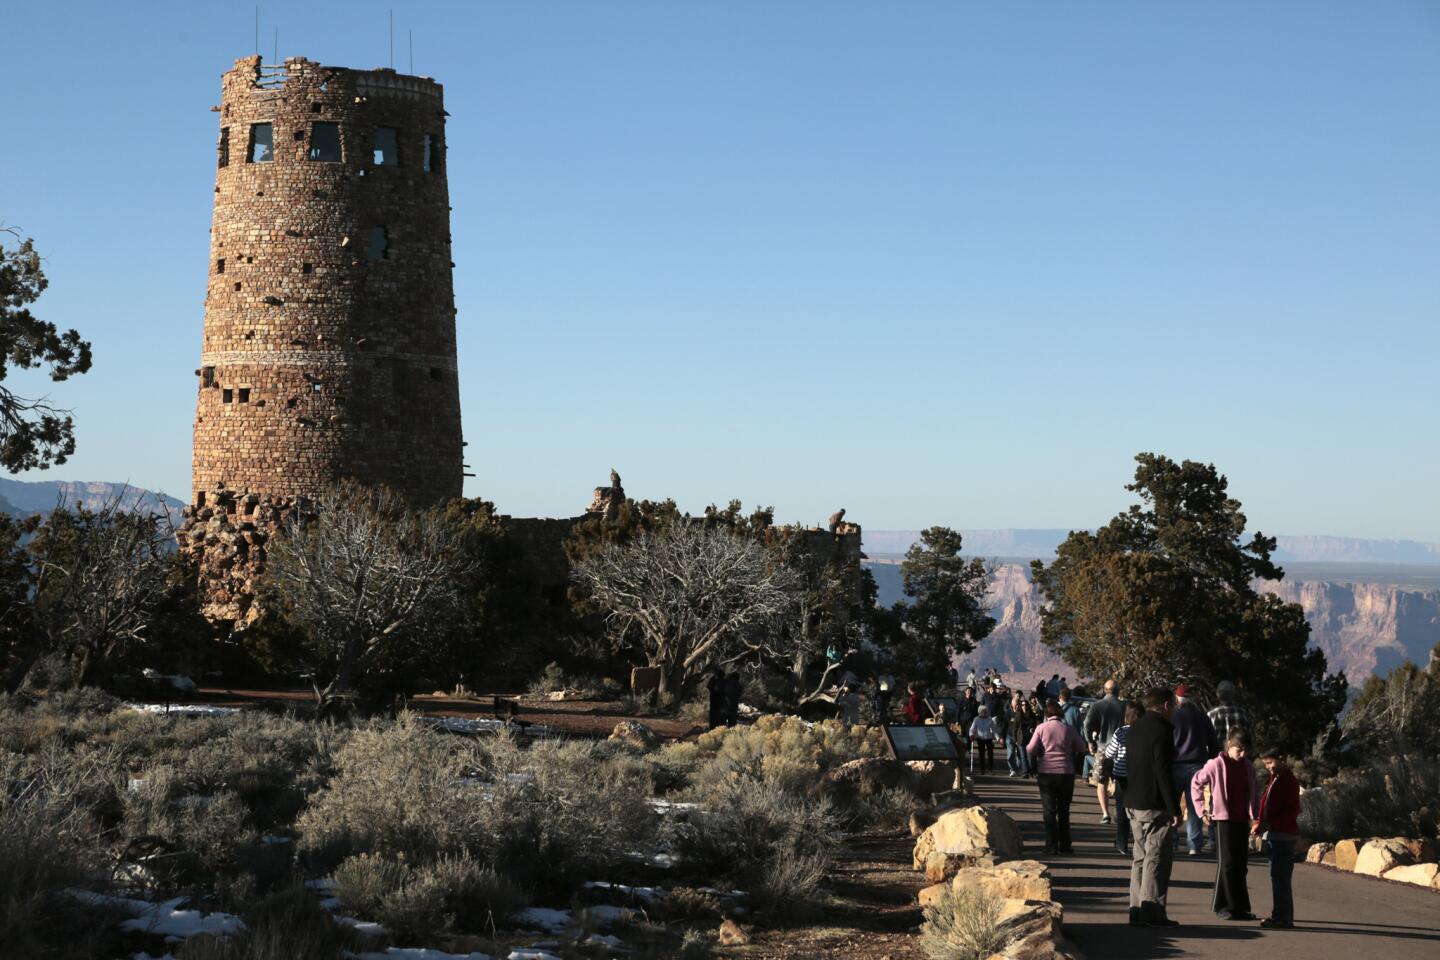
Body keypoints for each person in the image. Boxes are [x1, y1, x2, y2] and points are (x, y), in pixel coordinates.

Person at [1125, 687, 1181, 928]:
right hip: (1154, 804)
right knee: (1156, 858)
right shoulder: (1162, 732)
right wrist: (1174, 807)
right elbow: (1163, 771)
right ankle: (1152, 912)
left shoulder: (1135, 727)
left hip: (1133, 801)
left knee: (1140, 857)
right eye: (1174, 706)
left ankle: (1137, 909)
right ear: (1166, 705)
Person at [1192, 730, 1258, 921]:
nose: (1243, 754)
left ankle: (1240, 907)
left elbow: (1254, 792)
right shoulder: (1215, 765)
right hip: (1222, 819)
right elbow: (1196, 783)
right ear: (1229, 744)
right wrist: (1201, 810)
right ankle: (1224, 906)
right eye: (1239, 749)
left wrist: (1255, 817)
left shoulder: (1248, 767)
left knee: (1241, 865)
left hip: (1242, 819)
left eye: (1246, 750)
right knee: (1227, 863)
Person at [1026, 700, 1087, 854]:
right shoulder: (1068, 729)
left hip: (1046, 773)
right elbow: (1081, 747)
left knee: (1049, 811)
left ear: (1047, 714)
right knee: (1064, 811)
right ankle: (1065, 845)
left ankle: (1051, 845)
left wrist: (1042, 750)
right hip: (1066, 772)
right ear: (1060, 713)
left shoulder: (1041, 728)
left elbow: (1030, 749)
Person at [1171, 684, 1220, 856]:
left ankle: (1172, 841)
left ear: (1177, 699)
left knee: (1173, 805)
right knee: (1195, 807)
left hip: (1175, 765)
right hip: (1198, 766)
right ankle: (1194, 844)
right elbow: (1213, 745)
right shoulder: (1203, 718)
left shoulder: (1172, 717)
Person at [1254, 745, 1300, 929]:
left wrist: (1266, 822)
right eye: (1266, 764)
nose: (1269, 767)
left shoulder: (1286, 780)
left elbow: (1285, 809)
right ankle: (1281, 915)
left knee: (1280, 878)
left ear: (1281, 758)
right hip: (1277, 833)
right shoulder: (1277, 778)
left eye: (1271, 762)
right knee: (1278, 878)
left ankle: (1282, 917)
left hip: (1283, 834)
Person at [1084, 680, 1126, 824]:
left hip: (1103, 748)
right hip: (1122, 748)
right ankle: (1121, 813)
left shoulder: (1097, 706)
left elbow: (1087, 725)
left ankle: (1105, 813)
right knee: (1122, 780)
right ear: (1118, 691)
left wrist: (1090, 741)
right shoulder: (1124, 706)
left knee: (1102, 781)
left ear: (1104, 690)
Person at [1104, 701, 1142, 856]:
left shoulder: (1121, 732)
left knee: (1121, 810)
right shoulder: (1143, 732)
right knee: (1138, 810)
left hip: (1121, 775)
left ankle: (1122, 843)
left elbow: (1109, 753)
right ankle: (1139, 841)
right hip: (1139, 775)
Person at [1007, 692, 1034, 778]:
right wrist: (1015, 739)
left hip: (1030, 738)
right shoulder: (1018, 716)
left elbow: (1035, 725)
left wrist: (1033, 728)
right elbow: (1014, 728)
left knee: (1030, 756)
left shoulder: (1032, 715)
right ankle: (1025, 772)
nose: (1024, 706)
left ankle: (1032, 771)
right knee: (1022, 756)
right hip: (1020, 738)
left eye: (1025, 705)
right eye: (1022, 705)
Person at [969, 705, 998, 774]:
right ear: (980, 712)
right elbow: (972, 729)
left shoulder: (989, 719)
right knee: (981, 755)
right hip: (980, 738)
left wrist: (998, 738)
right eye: (983, 711)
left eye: (985, 711)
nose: (984, 713)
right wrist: (971, 735)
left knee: (990, 754)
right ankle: (982, 770)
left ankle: (990, 769)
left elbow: (994, 730)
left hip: (988, 738)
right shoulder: (976, 719)